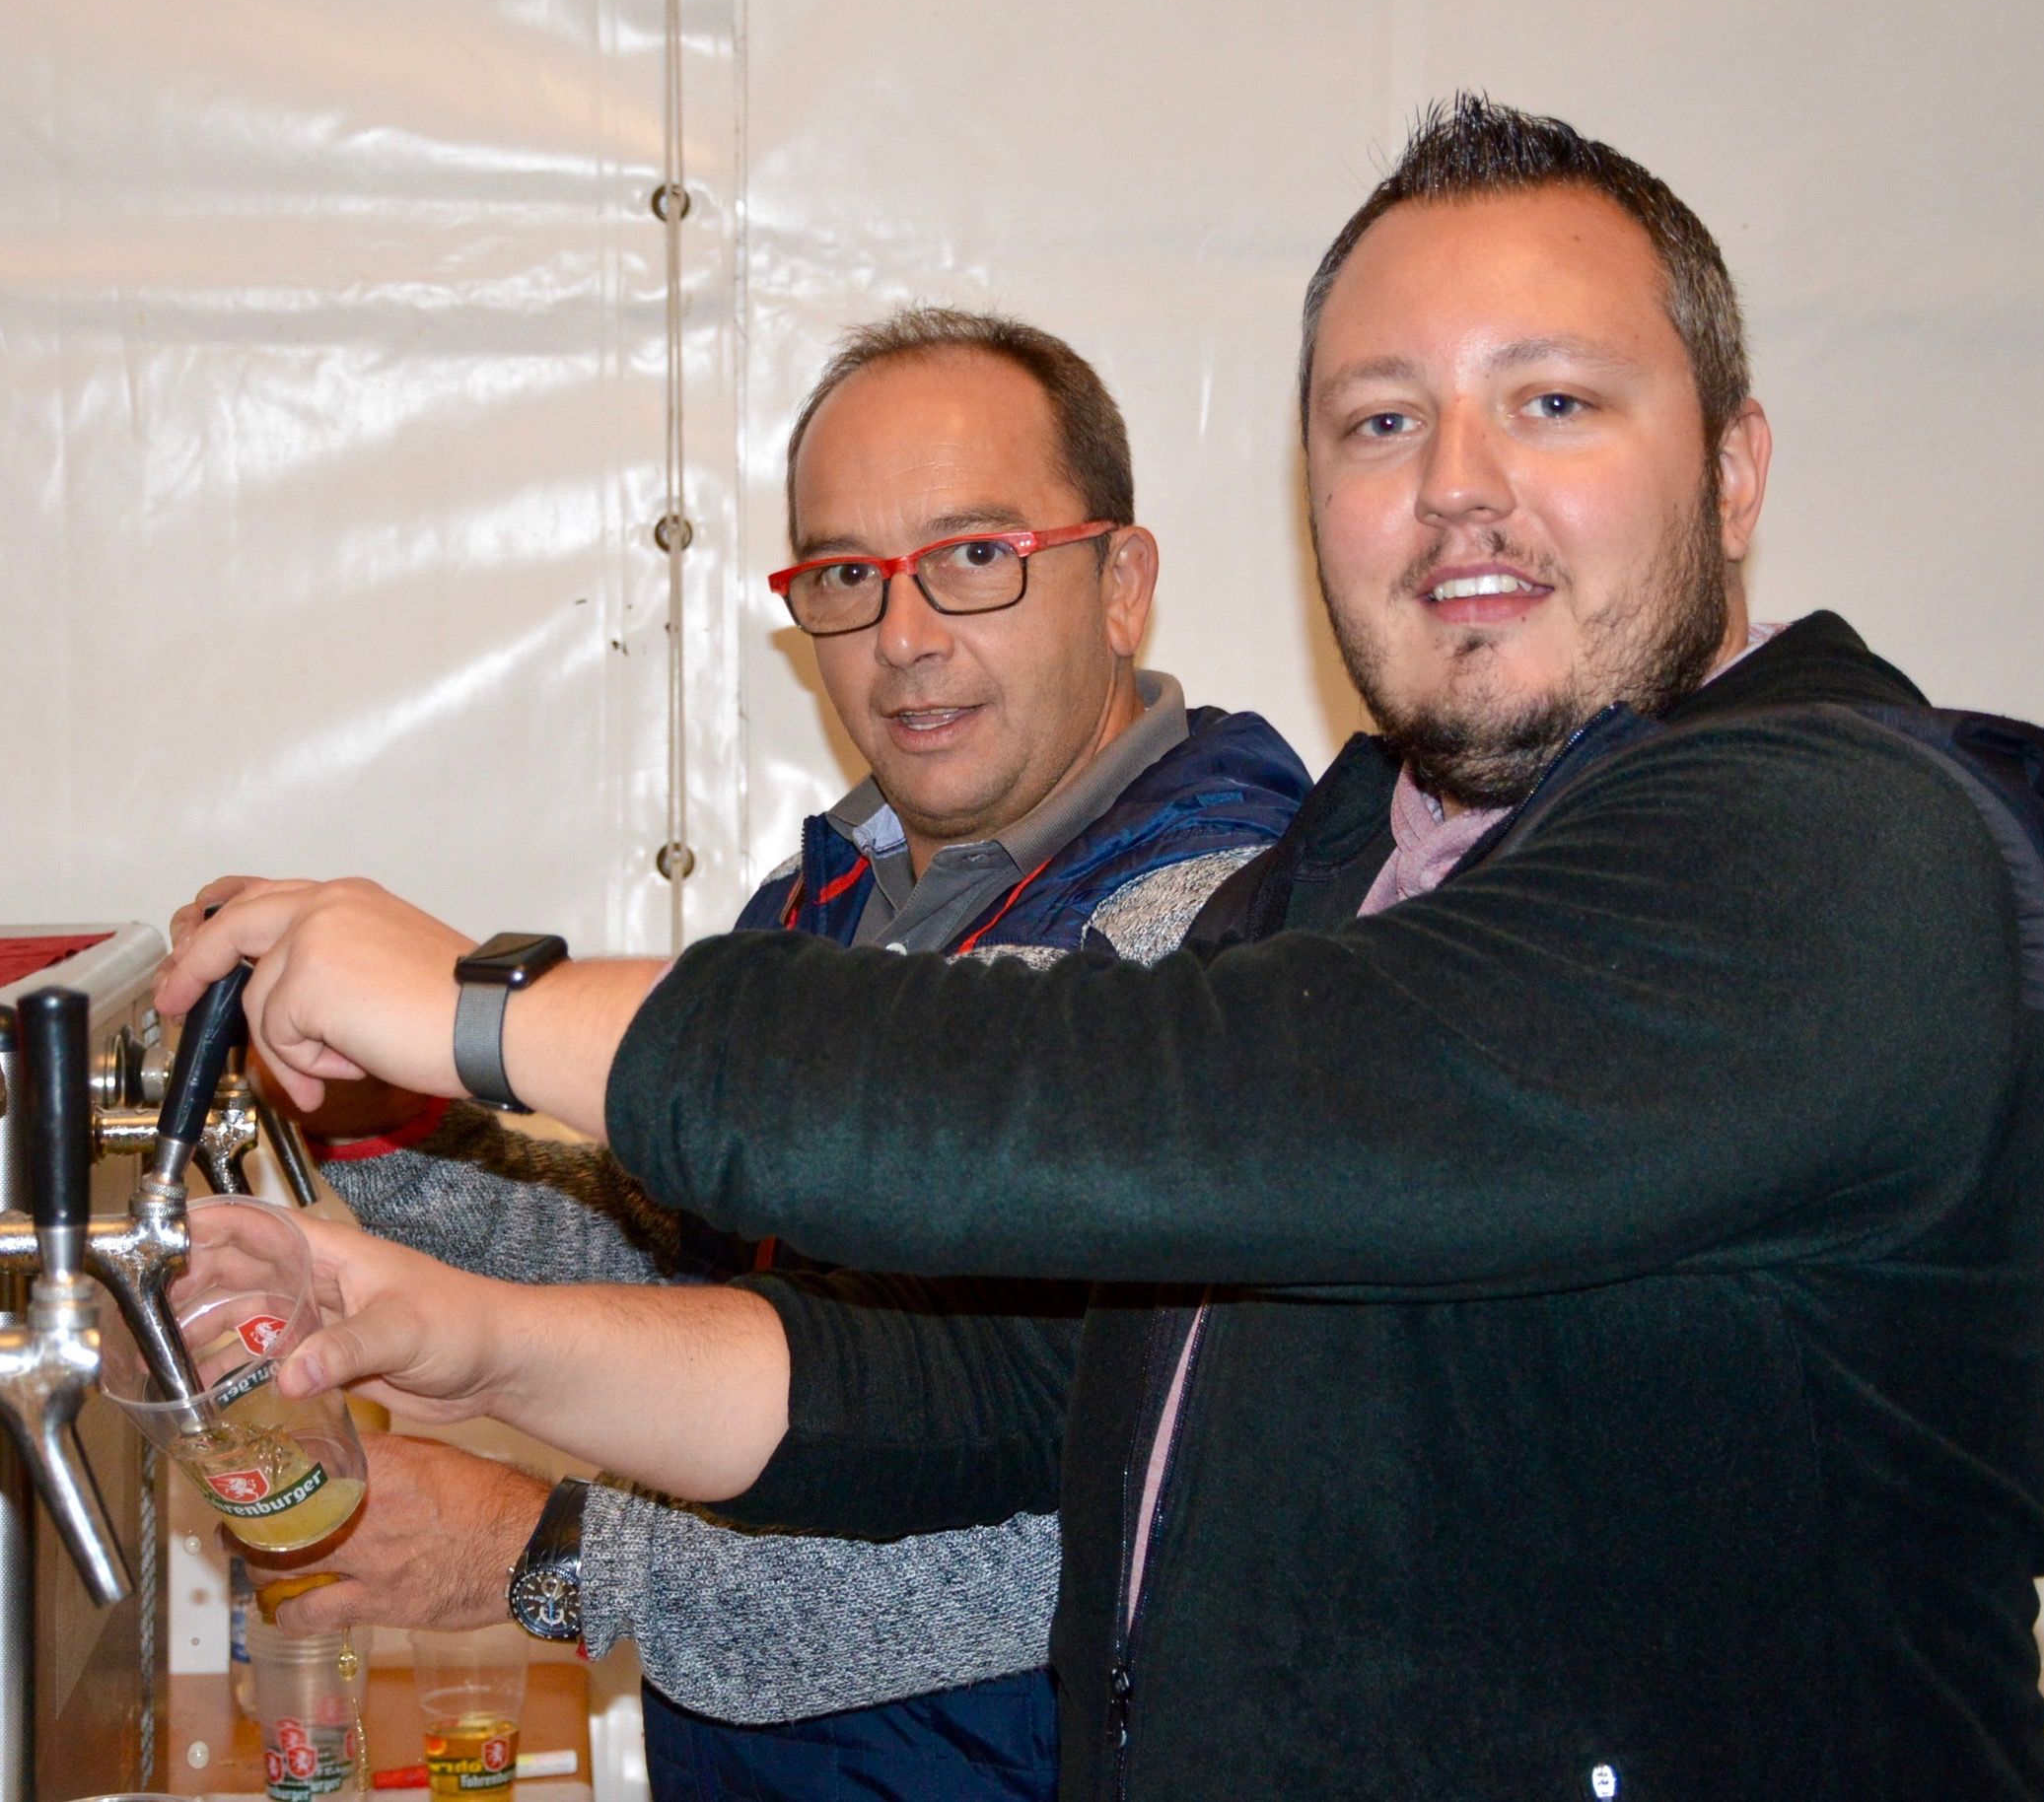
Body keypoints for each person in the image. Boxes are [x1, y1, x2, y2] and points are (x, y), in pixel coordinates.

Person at [163, 98, 2044, 1797]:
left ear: (1734, 466)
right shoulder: (1351, 877)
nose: (1457, 482)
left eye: (1553, 400)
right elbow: (993, 1392)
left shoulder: (1844, 848)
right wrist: (455, 1327)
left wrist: (482, 1006)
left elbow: (1140, 1098)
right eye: (1381, 420)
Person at [209, 309, 1310, 1801]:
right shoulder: (827, 901)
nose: (905, 636)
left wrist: (544, 1549)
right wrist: (374, 1115)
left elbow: (1086, 1492)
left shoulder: (1222, 932)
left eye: (975, 555)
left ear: (1122, 585)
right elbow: (680, 1279)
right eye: (847, 575)